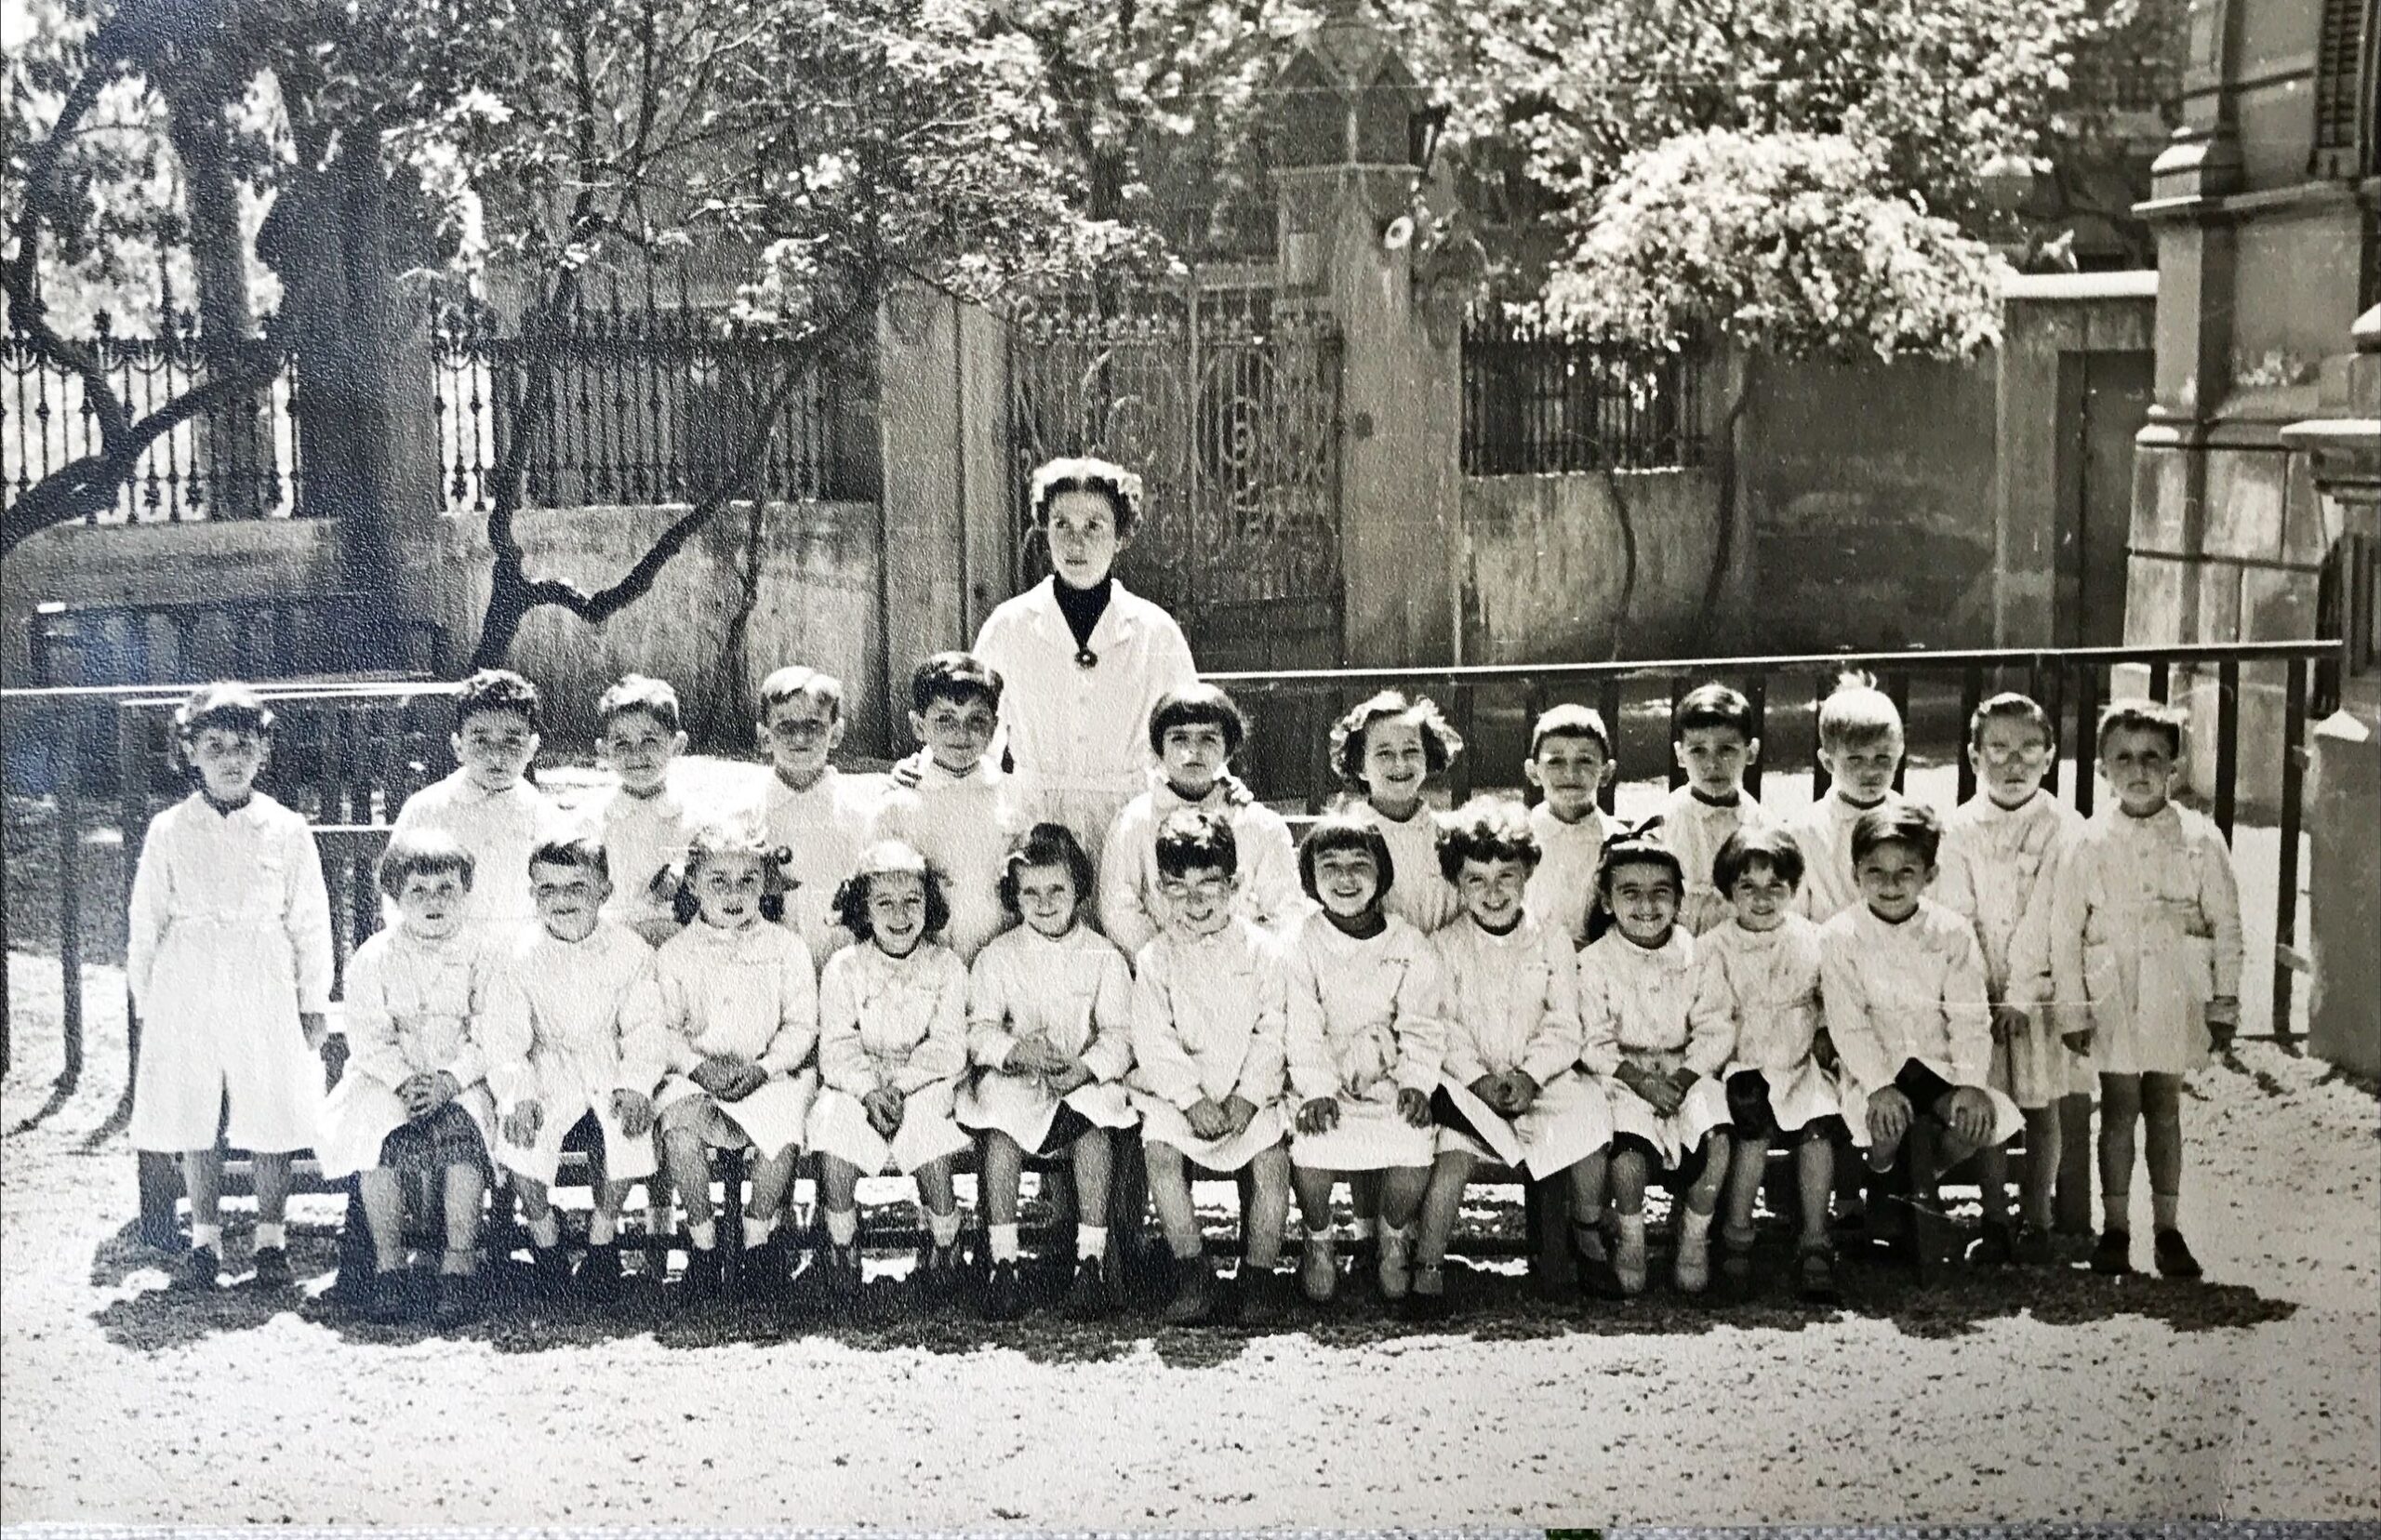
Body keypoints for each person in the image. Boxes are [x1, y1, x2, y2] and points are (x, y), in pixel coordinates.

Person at [127, 682, 335, 1293]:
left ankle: (272, 1238)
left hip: (263, 971)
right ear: (189, 752)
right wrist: (149, 1002)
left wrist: (311, 999)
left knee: (269, 1104)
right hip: (187, 977)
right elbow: (147, 919)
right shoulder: (168, 829)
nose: (229, 757)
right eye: (213, 744)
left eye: (243, 744)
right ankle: (205, 1239)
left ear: (264, 752)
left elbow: (309, 919)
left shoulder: (288, 828)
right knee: (195, 1109)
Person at [2051, 701, 2242, 1281]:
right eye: (2124, 758)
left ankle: (2167, 1228)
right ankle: (2115, 1229)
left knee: (2164, 1107)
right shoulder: (2087, 842)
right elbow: (2065, 929)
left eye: (2153, 757)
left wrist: (2224, 1001)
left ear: (2174, 767)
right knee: (2117, 1110)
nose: (2139, 770)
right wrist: (2073, 1009)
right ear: (2104, 768)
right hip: (2112, 989)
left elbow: (2227, 923)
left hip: (2174, 989)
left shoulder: (2201, 839)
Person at [1417, 799, 1613, 1314]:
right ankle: (1428, 1267)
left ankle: (1585, 1234)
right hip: (1470, 1086)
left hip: (1541, 1079)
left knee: (1588, 1126)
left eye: (1507, 875)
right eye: (1476, 879)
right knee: (1453, 1155)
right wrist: (1479, 1079)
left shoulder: (1550, 941)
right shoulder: (1443, 946)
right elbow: (1442, 1024)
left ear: (1528, 872)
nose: (1493, 892)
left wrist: (1531, 1074)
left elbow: (1564, 1021)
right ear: (1456, 883)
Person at [962, 456, 1199, 863]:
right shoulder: (1009, 625)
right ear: (1045, 530)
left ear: (1121, 535)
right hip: (1034, 824)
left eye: (1094, 526)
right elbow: (974, 727)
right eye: (1062, 525)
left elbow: (1194, 729)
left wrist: (1219, 786)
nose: (1076, 543)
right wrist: (931, 772)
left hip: (1129, 827)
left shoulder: (1154, 631)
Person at [1819, 804, 2024, 1268]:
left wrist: (1970, 1082)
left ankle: (1917, 1185)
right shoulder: (1839, 936)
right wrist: (1879, 1084)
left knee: (1980, 1120)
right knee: (1882, 1123)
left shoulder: (1951, 932)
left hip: (1939, 1068)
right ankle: (1882, 1176)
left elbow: (1970, 1016)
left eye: (1905, 872)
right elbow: (1849, 1023)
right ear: (1856, 874)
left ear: (1929, 875)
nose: (1890, 885)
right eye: (1876, 872)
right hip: (1877, 1070)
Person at [317, 832, 497, 1326]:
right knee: (379, 1133)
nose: (434, 901)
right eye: (419, 891)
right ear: (395, 897)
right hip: (387, 1077)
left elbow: (491, 1032)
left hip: (460, 1078)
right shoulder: (373, 957)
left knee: (465, 1135)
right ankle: (389, 1267)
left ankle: (458, 1266)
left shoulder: (484, 954)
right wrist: (404, 1081)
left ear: (466, 893)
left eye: (447, 889)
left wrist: (449, 1080)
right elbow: (369, 1038)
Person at [1933, 692, 2086, 1265]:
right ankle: (1994, 1218)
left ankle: (2039, 1218)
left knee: (2042, 1105)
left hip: (2037, 990)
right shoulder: (1959, 828)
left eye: (2027, 750)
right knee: (1990, 1102)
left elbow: (2051, 915)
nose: (2012, 763)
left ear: (2049, 757)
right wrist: (1977, 1000)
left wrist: (2021, 994)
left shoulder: (2064, 828)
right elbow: (1956, 916)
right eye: (1997, 749)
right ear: (1974, 758)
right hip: (1979, 991)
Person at [962, 824, 1137, 1321]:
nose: (1044, 902)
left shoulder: (1103, 957)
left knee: (1094, 1129)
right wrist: (1016, 1051)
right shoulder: (997, 957)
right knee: (999, 1130)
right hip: (1018, 1080)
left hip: (1081, 1084)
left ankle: (1092, 1259)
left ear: (1079, 890)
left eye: (1056, 889)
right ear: (1013, 896)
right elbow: (979, 1031)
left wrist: (1086, 1067)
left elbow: (1120, 1035)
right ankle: (1003, 1260)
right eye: (1030, 892)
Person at [481, 836, 669, 1298]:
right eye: (548, 888)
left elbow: (644, 1029)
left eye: (577, 887)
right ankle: (546, 1241)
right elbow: (504, 1039)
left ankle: (601, 1242)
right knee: (521, 1135)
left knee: (627, 1131)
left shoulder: (629, 951)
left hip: (608, 1060)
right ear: (532, 893)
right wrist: (518, 1093)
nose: (561, 900)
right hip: (546, 1063)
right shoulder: (516, 956)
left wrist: (636, 1083)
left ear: (604, 892)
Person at [1128, 810, 1297, 1325]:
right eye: (1178, 888)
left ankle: (1258, 1276)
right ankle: (1193, 1271)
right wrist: (1191, 1101)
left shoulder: (1265, 953)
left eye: (1209, 885)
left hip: (1249, 1098)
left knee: (1271, 1164)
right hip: (1183, 1099)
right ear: (1159, 888)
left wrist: (1247, 1098)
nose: (1194, 901)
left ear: (1237, 885)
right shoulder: (1156, 959)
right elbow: (1154, 1041)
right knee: (1159, 1154)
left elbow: (1273, 1032)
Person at [1280, 813, 1451, 1306]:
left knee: (1414, 1139)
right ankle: (1318, 1239)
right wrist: (1316, 1089)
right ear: (1310, 878)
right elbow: (1302, 1025)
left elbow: (1421, 1022)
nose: (1345, 877)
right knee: (1312, 1145)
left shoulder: (1407, 944)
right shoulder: (1302, 942)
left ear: (1382, 874)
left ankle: (1393, 1238)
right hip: (1325, 1074)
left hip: (1387, 1072)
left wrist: (1416, 1081)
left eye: (1360, 864)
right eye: (1329, 866)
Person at [650, 821, 820, 1306]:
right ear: (694, 883)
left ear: (765, 883)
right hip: (697, 1076)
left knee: (783, 1128)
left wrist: (765, 1068)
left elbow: (800, 1026)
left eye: (747, 880)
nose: (733, 893)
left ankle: (755, 1242)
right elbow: (663, 1029)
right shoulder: (675, 953)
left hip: (767, 1076)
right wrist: (698, 1069)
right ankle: (703, 1244)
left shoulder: (786, 948)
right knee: (680, 1132)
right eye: (718, 881)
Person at [805, 841, 974, 1314]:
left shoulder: (946, 967)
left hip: (923, 1082)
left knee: (926, 1126)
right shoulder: (844, 967)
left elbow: (946, 1047)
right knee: (835, 1121)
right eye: (884, 903)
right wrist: (868, 1089)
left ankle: (944, 1242)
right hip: (860, 1083)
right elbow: (836, 1047)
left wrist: (900, 1087)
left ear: (929, 904)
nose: (899, 915)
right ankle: (841, 1245)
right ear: (863, 907)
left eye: (911, 902)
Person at [1576, 827, 1735, 1297]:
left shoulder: (1697, 954)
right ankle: (1631, 1239)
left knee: (1717, 1143)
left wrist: (1684, 1078)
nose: (1647, 907)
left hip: (1689, 1070)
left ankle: (1692, 1237)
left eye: (1660, 893)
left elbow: (1716, 1027)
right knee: (1627, 1159)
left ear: (1679, 899)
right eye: (1630, 894)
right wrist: (1640, 1082)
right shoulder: (1596, 962)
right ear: (1607, 901)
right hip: (1623, 1076)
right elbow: (1594, 1041)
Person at [1689, 827, 1842, 1302]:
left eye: (1775, 887)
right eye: (1747, 888)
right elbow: (1711, 1013)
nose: (1762, 899)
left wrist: (1821, 1032)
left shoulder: (1813, 939)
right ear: (1728, 891)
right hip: (1743, 1060)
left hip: (1797, 1059)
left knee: (1817, 1128)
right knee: (1751, 1134)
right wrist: (1726, 1061)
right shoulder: (1715, 945)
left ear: (1794, 890)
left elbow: (1829, 999)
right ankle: (1737, 1235)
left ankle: (1815, 1238)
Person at [1096, 683, 1306, 955]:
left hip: (1242, 970)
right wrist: (1170, 960)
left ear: (1228, 751)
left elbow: (1286, 910)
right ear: (1159, 749)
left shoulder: (1258, 824)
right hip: (1164, 969)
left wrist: (1248, 960)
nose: (1193, 751)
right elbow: (1118, 909)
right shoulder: (1135, 821)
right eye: (1179, 738)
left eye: (1208, 739)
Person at [873, 653, 1030, 963]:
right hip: (924, 963)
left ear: (995, 726)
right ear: (919, 726)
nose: (962, 733)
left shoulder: (1012, 797)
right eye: (945, 719)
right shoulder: (899, 802)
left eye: (977, 720)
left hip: (999, 959)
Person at [392, 669, 571, 932]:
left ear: (532, 747)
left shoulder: (548, 819)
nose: (496, 756)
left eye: (512, 741)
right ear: (458, 746)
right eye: (480, 740)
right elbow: (395, 896)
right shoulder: (426, 810)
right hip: (444, 953)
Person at [750, 665, 885, 975]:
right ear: (764, 736)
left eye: (814, 724)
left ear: (835, 732)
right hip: (770, 971)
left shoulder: (858, 813)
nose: (800, 737)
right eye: (785, 726)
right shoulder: (747, 813)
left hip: (842, 967)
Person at [1330, 689, 1466, 935]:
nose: (1400, 763)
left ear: (1427, 756)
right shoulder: (1347, 838)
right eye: (1384, 753)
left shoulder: (1449, 835)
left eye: (1411, 750)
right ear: (1360, 766)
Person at [585, 674, 703, 948]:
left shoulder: (698, 820)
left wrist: (686, 873)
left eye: (649, 740)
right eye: (622, 744)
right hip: (612, 947)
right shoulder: (590, 820)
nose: (636, 755)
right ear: (604, 751)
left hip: (679, 946)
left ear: (677, 745)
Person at [1784, 671, 1907, 923]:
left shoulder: (1911, 823)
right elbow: (1795, 918)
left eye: (1882, 758)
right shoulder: (1805, 831)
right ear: (1828, 762)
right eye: (1855, 759)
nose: (1870, 771)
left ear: (1899, 753)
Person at [1658, 684, 1770, 936]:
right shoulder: (1664, 821)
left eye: (1727, 750)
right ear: (1680, 755)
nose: (1712, 764)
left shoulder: (1762, 825)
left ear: (1751, 752)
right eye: (1698, 750)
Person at [1521, 704, 1616, 945]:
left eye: (1585, 760)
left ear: (1606, 772)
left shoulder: (1618, 841)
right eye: (1555, 762)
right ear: (1533, 772)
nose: (1571, 773)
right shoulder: (1518, 839)